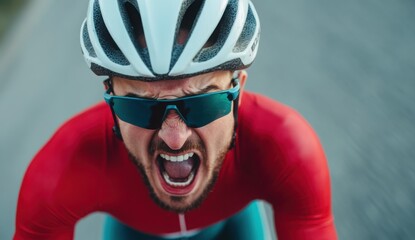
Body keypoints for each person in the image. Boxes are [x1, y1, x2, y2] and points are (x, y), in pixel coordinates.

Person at [14, 0, 338, 239]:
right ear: (110, 100)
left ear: (237, 90)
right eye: (139, 106)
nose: (175, 138)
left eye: (203, 103)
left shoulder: (287, 147)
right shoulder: (61, 168)